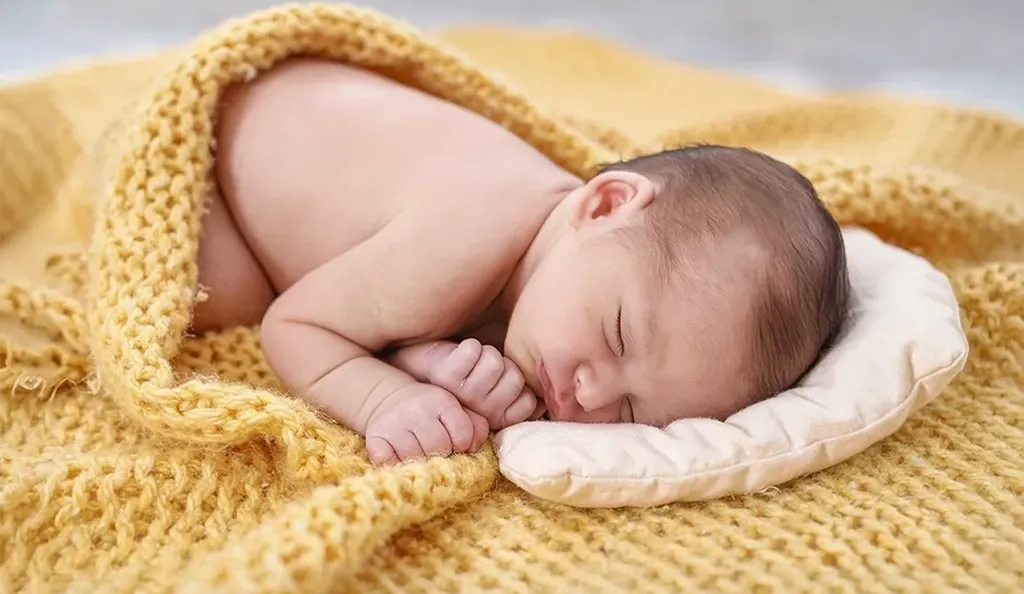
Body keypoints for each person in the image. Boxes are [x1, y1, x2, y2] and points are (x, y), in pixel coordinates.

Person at [193, 57, 850, 465]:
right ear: (605, 204)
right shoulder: (455, 244)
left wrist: (431, 363)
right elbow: (296, 325)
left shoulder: (555, 295)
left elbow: (402, 325)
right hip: (231, 146)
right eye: (618, 334)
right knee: (215, 292)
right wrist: (386, 398)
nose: (590, 395)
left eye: (631, 413)